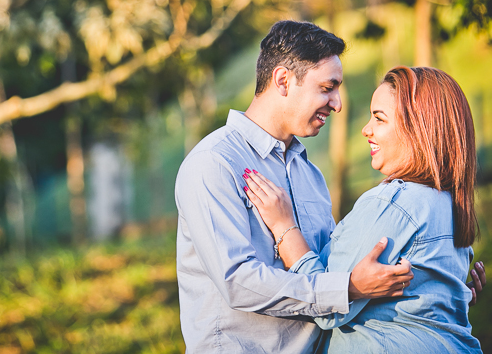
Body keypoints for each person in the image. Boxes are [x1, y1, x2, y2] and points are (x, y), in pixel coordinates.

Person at [174, 21, 417, 354]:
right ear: (283, 81)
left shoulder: (311, 175)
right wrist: (344, 289)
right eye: (327, 87)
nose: (338, 104)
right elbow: (237, 281)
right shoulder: (214, 163)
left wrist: (440, 286)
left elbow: (333, 269)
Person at [244, 66, 484, 353]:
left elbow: (324, 301)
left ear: (418, 128)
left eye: (379, 119)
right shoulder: (449, 204)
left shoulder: (393, 203)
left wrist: (284, 227)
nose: (366, 129)